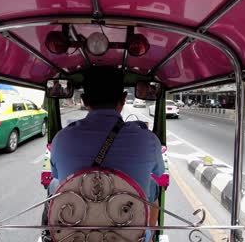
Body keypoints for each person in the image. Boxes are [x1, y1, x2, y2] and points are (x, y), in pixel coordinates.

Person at [50, 66, 165, 229]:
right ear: (124, 99)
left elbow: (56, 174)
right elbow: (159, 173)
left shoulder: (61, 139)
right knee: (153, 184)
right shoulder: (148, 140)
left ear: (84, 100)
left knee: (55, 185)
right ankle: (148, 236)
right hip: (128, 235)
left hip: (76, 234)